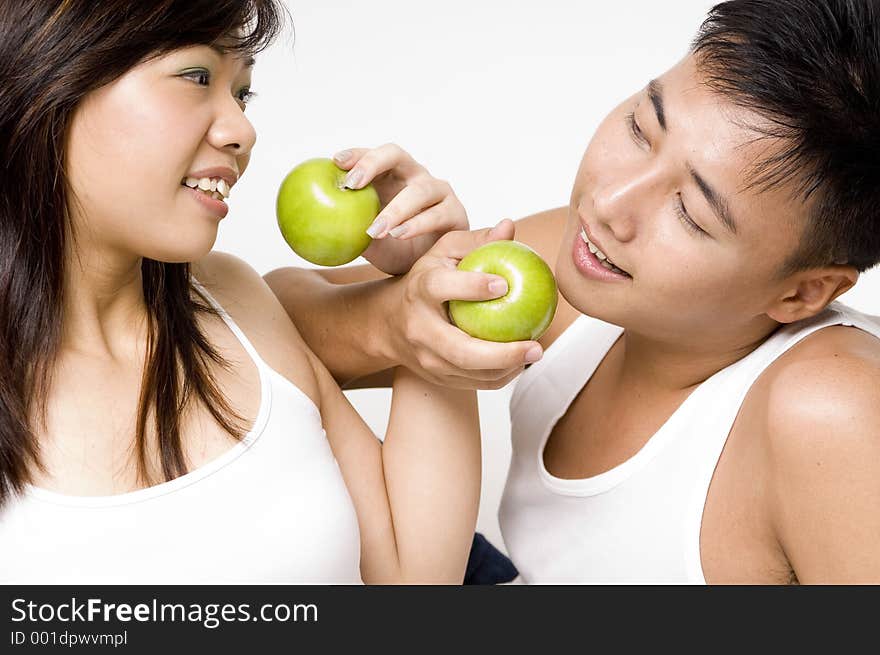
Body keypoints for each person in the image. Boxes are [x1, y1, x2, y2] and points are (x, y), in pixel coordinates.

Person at [264, 0, 880, 584]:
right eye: (643, 128)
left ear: (804, 294)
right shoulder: (592, 274)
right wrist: (409, 297)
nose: (610, 203)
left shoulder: (833, 411)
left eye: (691, 214)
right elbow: (260, 324)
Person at [0, 0, 498, 585]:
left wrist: (429, 280)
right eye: (196, 76)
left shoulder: (233, 299)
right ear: (46, 78)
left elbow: (413, 582)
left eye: (242, 93)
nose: (242, 130)